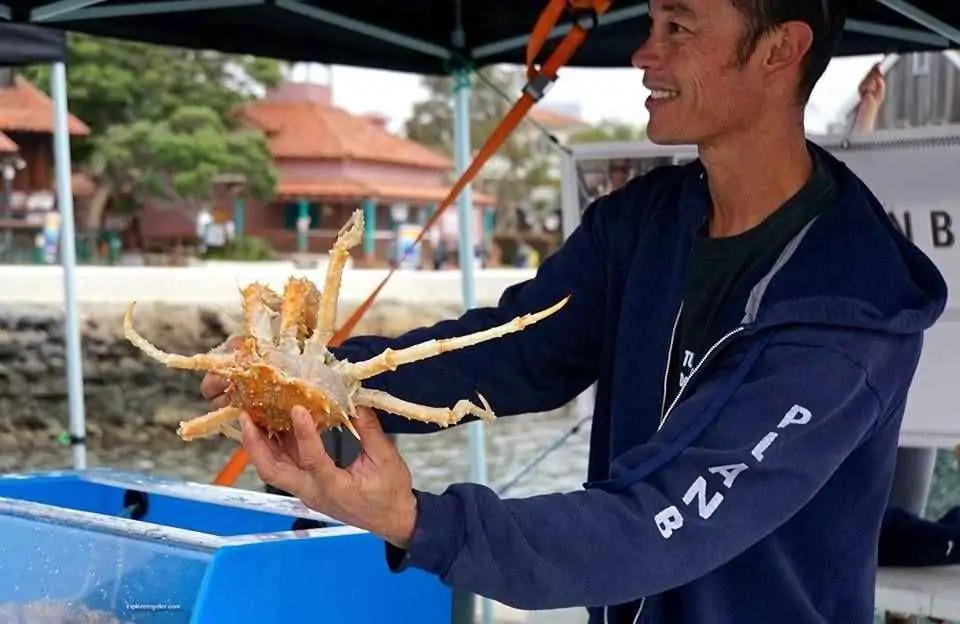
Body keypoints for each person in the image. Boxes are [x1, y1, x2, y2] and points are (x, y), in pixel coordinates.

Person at [202, 1, 948, 622]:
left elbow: (654, 524)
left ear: (780, 50)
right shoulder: (643, 223)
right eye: (651, 23)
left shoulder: (851, 311)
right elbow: (514, 354)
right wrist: (320, 386)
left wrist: (416, 519)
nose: (643, 55)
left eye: (678, 29)